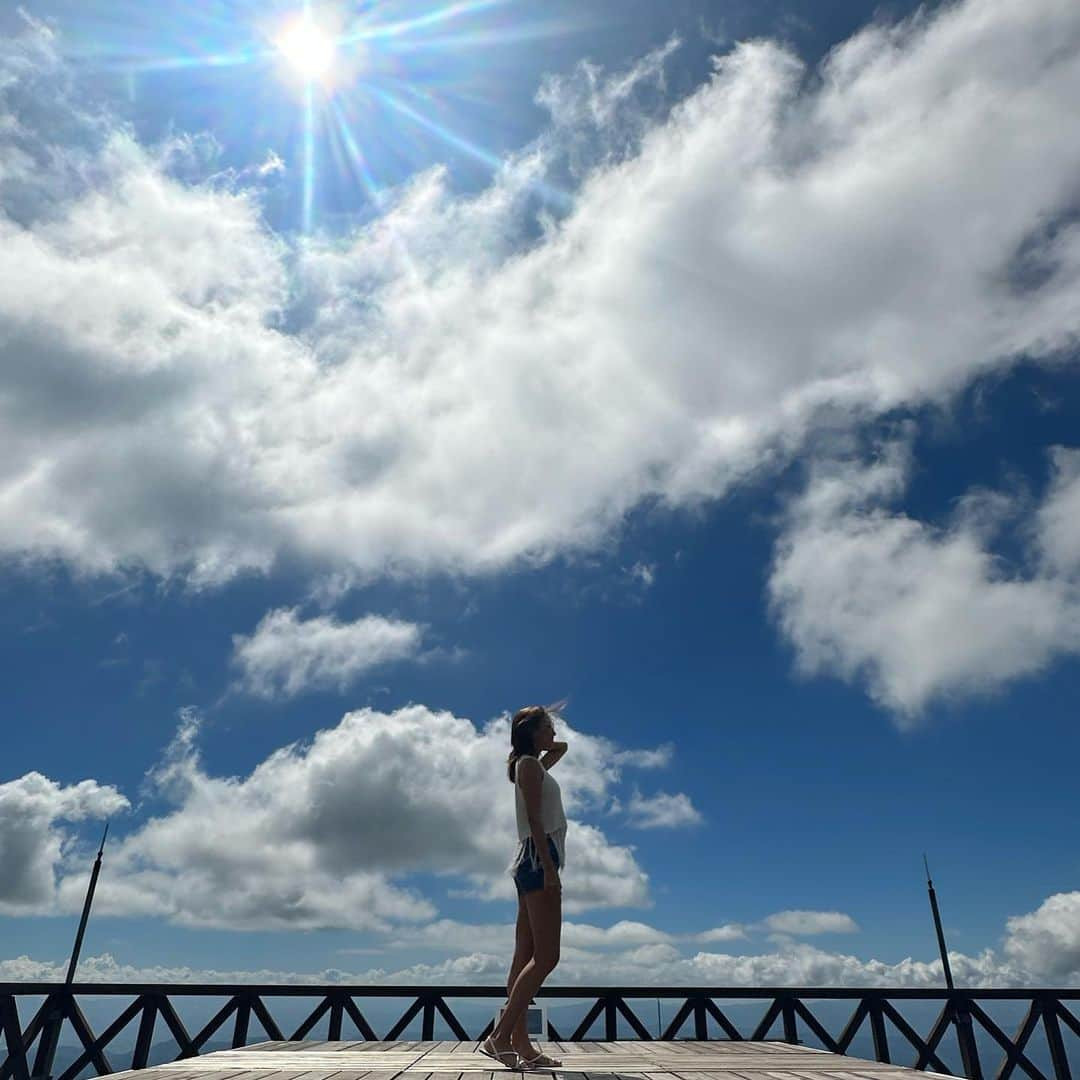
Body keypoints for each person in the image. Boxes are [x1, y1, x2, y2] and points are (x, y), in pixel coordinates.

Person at [479, 703, 569, 1070]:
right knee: (547, 956)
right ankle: (499, 1037)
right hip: (538, 856)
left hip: (529, 858)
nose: (554, 735)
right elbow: (534, 818)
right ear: (533, 732)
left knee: (524, 954)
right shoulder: (529, 767)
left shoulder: (530, 766)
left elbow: (560, 749)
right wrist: (549, 869)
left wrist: (547, 741)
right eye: (548, 728)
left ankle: (521, 1043)